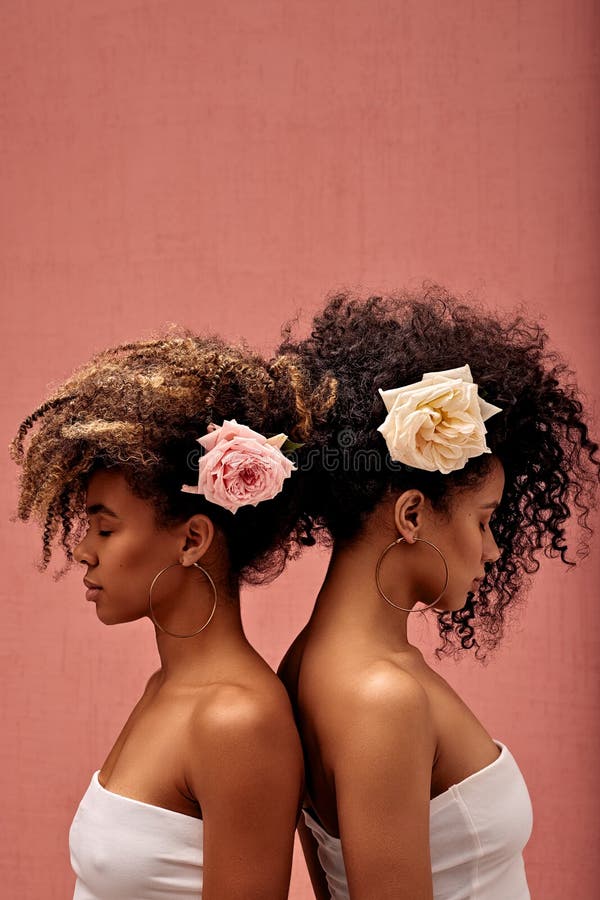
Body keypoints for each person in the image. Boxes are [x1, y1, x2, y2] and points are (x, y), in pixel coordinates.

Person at [277, 288, 600, 900]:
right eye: (483, 520)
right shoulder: (381, 698)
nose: (494, 549)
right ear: (412, 515)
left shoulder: (309, 663)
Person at [11, 332, 333, 900]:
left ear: (192, 539)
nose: (84, 550)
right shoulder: (165, 686)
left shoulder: (237, 721)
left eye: (106, 528)